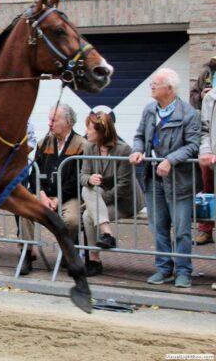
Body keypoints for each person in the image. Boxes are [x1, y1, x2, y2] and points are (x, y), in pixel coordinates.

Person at [130, 68, 200, 288]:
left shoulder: (188, 114)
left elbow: (193, 145)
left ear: (169, 88)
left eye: (155, 83)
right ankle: (163, 268)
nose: (151, 86)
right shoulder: (149, 111)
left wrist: (170, 159)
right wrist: (137, 150)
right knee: (158, 227)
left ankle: (183, 272)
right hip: (154, 179)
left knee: (181, 230)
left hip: (180, 181)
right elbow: (139, 136)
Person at [20, 104, 84, 269]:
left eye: (54, 120)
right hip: (45, 194)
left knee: (72, 220)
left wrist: (58, 199)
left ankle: (66, 252)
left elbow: (76, 179)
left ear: (68, 122)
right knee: (25, 210)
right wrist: (41, 195)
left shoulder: (81, 144)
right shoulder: (44, 143)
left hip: (69, 197)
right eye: (49, 119)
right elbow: (34, 172)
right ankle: (26, 254)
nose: (49, 123)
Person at [80, 111, 144, 276]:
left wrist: (99, 200)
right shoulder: (89, 147)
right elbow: (83, 175)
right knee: (86, 190)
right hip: (101, 197)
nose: (86, 132)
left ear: (101, 131)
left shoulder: (123, 150)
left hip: (125, 201)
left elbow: (124, 186)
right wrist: (90, 178)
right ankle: (103, 240)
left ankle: (95, 258)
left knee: (88, 214)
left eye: (89, 128)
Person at [198, 87, 216, 247]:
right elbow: (204, 130)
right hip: (210, 156)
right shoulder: (211, 97)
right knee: (207, 193)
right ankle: (205, 230)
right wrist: (206, 151)